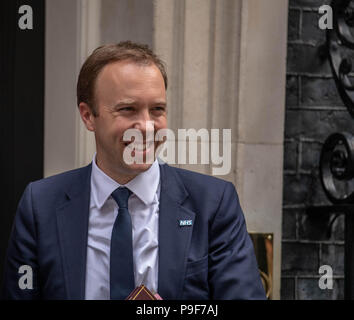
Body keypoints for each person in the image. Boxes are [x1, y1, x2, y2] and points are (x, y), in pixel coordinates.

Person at [1, 41, 266, 300]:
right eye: (127, 109)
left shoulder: (213, 204)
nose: (147, 127)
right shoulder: (41, 204)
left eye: (157, 110)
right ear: (88, 116)